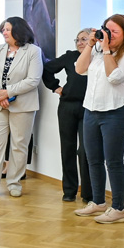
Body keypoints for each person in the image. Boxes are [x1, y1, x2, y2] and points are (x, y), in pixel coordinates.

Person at [74, 14, 124, 223]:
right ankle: (98, 202)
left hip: (116, 110)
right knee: (93, 159)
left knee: (113, 161)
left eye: (114, 32)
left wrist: (106, 51)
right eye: (106, 30)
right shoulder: (96, 49)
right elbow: (79, 69)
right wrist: (90, 44)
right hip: (92, 109)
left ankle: (118, 208)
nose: (109, 35)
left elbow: (114, 77)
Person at [0, 17, 44, 198]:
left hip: (23, 105)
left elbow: (33, 80)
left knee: (19, 145)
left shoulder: (33, 51)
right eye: (3, 30)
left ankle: (14, 183)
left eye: (7, 29)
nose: (4, 32)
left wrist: (8, 93)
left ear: (18, 30)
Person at [42, 28, 95, 202]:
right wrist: (55, 87)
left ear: (93, 40)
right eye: (77, 40)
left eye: (84, 39)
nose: (80, 42)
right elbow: (47, 69)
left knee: (85, 151)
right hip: (67, 107)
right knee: (67, 149)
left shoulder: (98, 58)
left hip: (89, 108)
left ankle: (88, 194)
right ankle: (69, 191)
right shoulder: (70, 56)